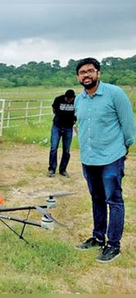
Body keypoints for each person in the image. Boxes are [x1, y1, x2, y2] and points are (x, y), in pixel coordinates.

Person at [74, 58, 135, 263]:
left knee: (114, 200)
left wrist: (126, 145)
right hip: (89, 158)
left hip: (111, 157)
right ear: (78, 77)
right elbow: (81, 126)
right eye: (82, 72)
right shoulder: (78, 100)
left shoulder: (114, 94)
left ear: (98, 73)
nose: (86, 75)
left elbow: (127, 123)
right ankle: (98, 237)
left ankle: (113, 245)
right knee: (96, 198)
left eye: (90, 71)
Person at [47, 89, 76, 178]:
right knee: (53, 148)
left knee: (66, 150)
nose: (68, 100)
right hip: (57, 126)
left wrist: (74, 120)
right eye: (67, 98)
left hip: (69, 128)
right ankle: (52, 169)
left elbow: (79, 111)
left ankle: (63, 169)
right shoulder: (58, 99)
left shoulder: (77, 101)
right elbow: (54, 109)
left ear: (73, 98)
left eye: (69, 99)